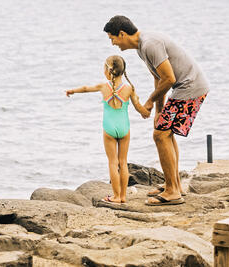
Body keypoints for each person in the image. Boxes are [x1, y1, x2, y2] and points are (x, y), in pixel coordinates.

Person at [103, 15, 209, 206]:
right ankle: (174, 184)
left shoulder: (149, 44)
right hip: (187, 87)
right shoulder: (142, 47)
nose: (113, 44)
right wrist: (159, 111)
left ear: (122, 34)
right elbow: (159, 78)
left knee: (160, 135)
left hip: (189, 87)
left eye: (113, 39)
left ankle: (172, 192)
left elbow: (169, 78)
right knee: (165, 134)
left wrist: (150, 101)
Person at [66, 55, 150, 204]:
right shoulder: (129, 88)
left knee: (113, 162)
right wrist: (146, 112)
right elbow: (139, 108)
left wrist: (72, 91)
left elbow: (86, 88)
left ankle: (116, 196)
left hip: (109, 129)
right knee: (123, 162)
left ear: (108, 71)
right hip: (124, 128)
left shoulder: (104, 87)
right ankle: (123, 196)